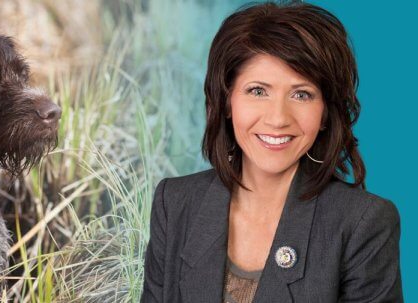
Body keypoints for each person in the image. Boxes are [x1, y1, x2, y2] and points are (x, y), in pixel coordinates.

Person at [141, 1, 403, 302]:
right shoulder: (174, 204)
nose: (278, 118)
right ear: (226, 101)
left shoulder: (363, 223)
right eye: (258, 91)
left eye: (301, 94)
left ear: (325, 114)